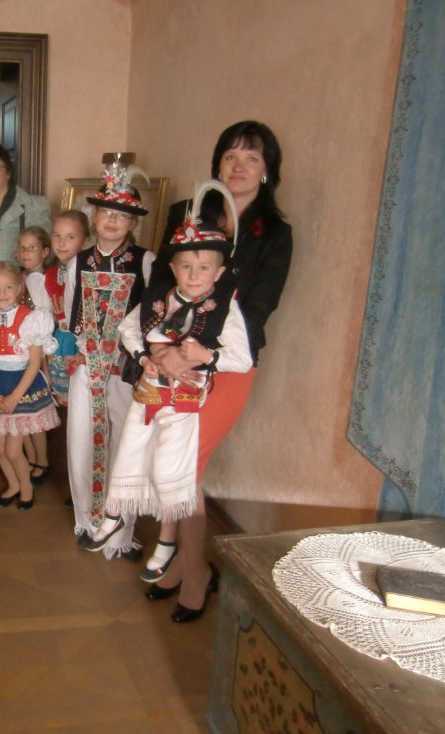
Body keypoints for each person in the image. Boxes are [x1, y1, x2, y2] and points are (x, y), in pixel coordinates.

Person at [148, 120, 293, 622]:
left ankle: (195, 574)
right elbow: (158, 288)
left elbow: (260, 305)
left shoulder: (276, 234)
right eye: (231, 155)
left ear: (267, 171)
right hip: (172, 358)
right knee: (173, 463)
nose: (239, 166)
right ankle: (185, 564)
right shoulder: (183, 215)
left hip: (227, 364)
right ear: (217, 164)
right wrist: (163, 349)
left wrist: (200, 350)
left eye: (252, 158)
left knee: (183, 466)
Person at [84, 184, 252, 584]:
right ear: (174, 268)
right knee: (128, 450)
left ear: (219, 273)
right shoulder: (159, 300)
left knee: (167, 470)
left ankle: (166, 541)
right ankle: (114, 513)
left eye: (204, 268)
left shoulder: (223, 310)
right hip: (148, 394)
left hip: (184, 403)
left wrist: (206, 356)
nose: (194, 276)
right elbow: (129, 329)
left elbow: (243, 358)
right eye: (186, 267)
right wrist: (144, 357)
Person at [69, 153, 156, 556]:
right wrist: (78, 353)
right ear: (94, 216)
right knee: (82, 440)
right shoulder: (79, 261)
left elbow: (152, 315)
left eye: (122, 215)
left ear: (132, 223)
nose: (112, 220)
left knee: (125, 442)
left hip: (125, 368)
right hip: (88, 364)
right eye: (106, 212)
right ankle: (87, 519)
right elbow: (72, 312)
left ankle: (121, 532)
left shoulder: (145, 261)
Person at [0, 262, 59, 509]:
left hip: (21, 386)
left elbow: (35, 362)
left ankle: (26, 488)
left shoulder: (32, 319)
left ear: (19, 288)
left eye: (8, 287)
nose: (2, 293)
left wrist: (16, 396)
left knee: (13, 451)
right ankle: (13, 484)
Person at [15, 225, 54, 483]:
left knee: (34, 412)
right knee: (21, 410)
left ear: (45, 251)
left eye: (33, 247)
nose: (27, 252)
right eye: (22, 248)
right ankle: (30, 457)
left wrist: (44, 365)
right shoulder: (18, 277)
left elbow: (45, 324)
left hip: (37, 353)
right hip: (18, 351)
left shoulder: (44, 281)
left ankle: (42, 460)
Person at [44, 210, 90, 405]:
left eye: (70, 237)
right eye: (57, 236)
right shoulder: (50, 274)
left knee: (79, 394)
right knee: (59, 392)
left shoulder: (88, 273)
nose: (61, 243)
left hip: (80, 339)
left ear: (85, 241)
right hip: (59, 338)